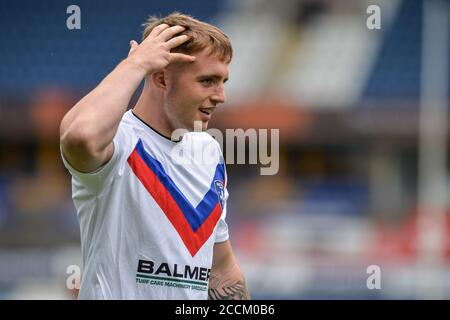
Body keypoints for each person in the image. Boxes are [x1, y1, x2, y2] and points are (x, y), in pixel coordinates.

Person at [59, 12, 250, 300]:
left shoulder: (209, 151)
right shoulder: (118, 141)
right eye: (208, 81)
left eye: (223, 81)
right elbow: (80, 137)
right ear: (161, 78)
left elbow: (221, 270)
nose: (221, 96)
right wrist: (135, 63)